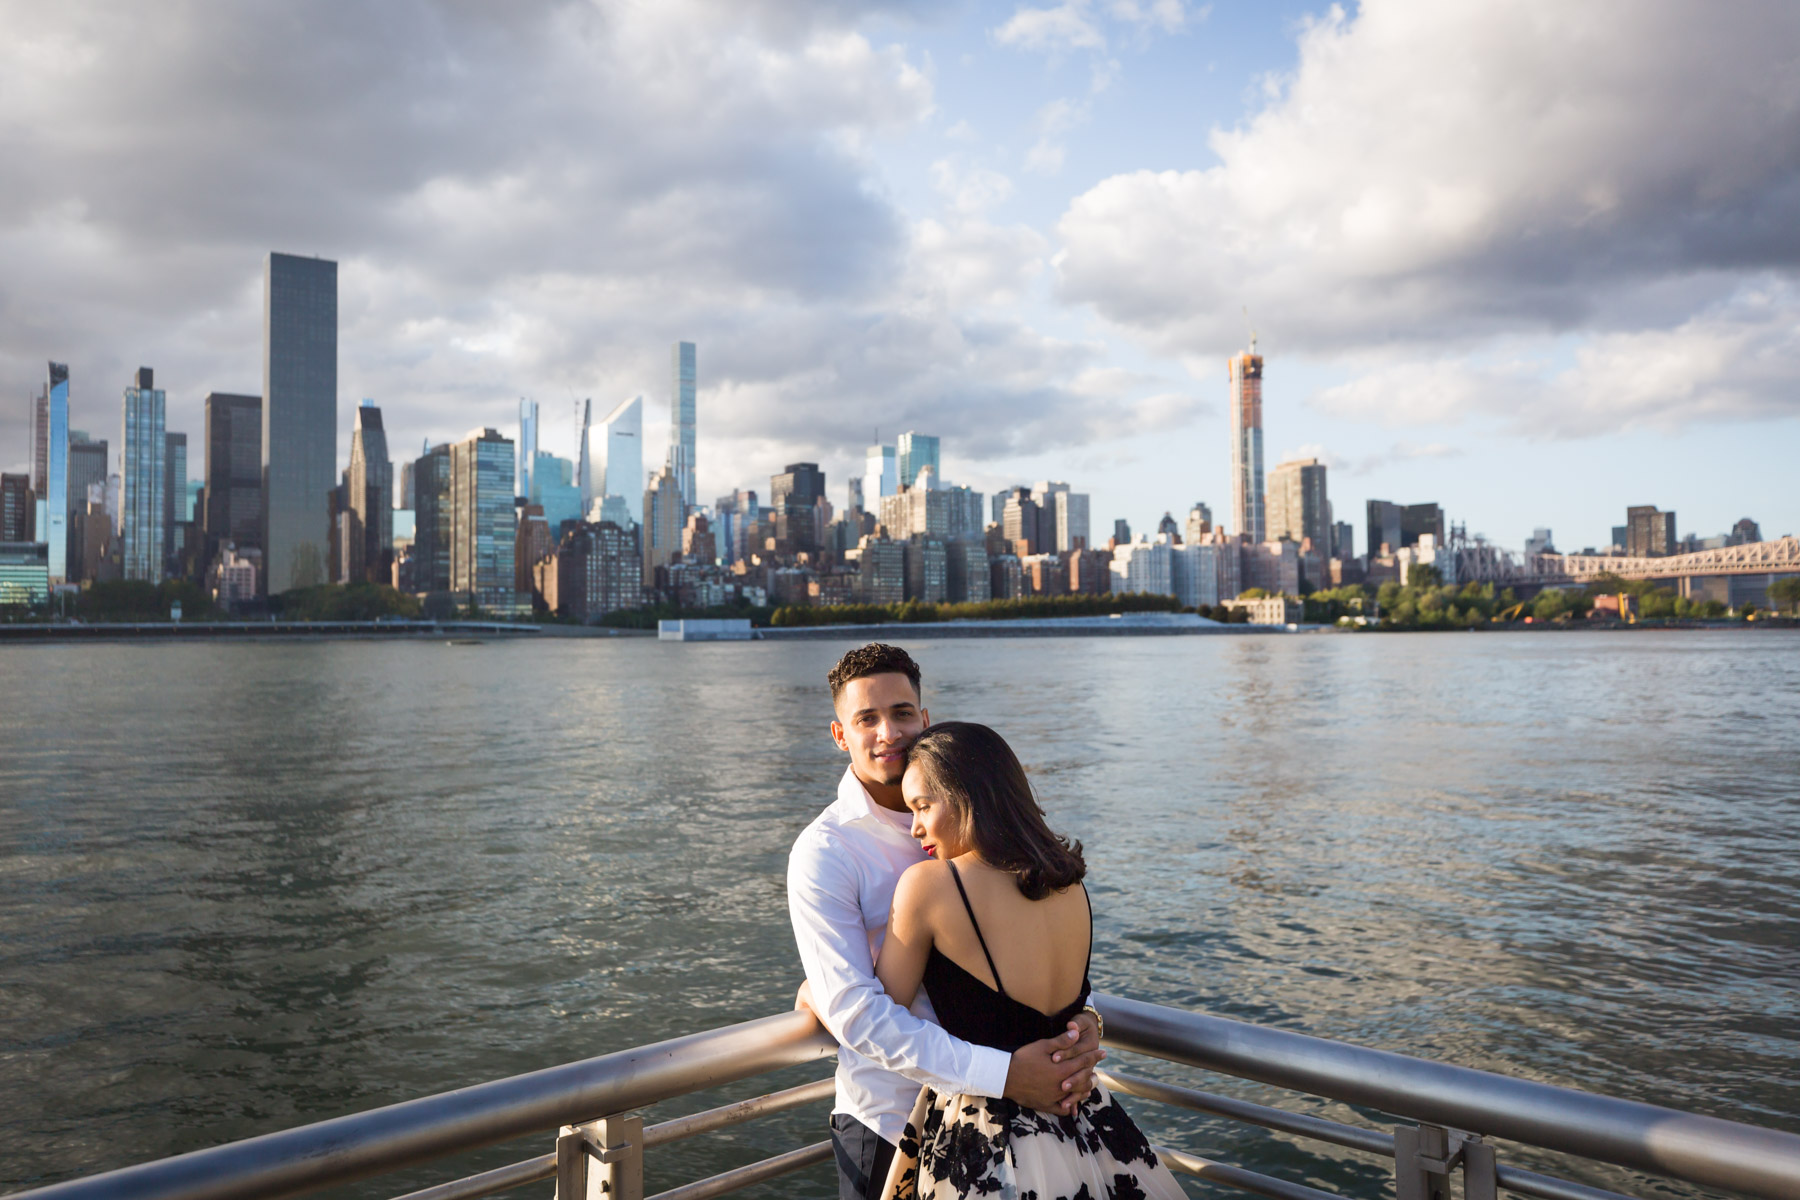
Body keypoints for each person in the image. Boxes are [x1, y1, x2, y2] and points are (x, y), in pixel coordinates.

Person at [790, 644, 1106, 1200]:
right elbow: (859, 1015)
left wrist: (1082, 1022)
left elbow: (1021, 954)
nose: (888, 731)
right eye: (866, 718)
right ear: (841, 735)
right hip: (891, 1121)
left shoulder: (987, 839)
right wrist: (1007, 1072)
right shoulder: (826, 851)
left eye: (902, 712)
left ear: (925, 719)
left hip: (1012, 1110)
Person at [871, 721, 1186, 1199]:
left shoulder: (931, 885)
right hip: (1087, 1121)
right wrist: (1091, 1018)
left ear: (965, 796)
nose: (914, 827)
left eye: (922, 806)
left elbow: (882, 1006)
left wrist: (818, 993)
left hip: (987, 1139)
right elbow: (1073, 1001)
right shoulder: (1068, 881)